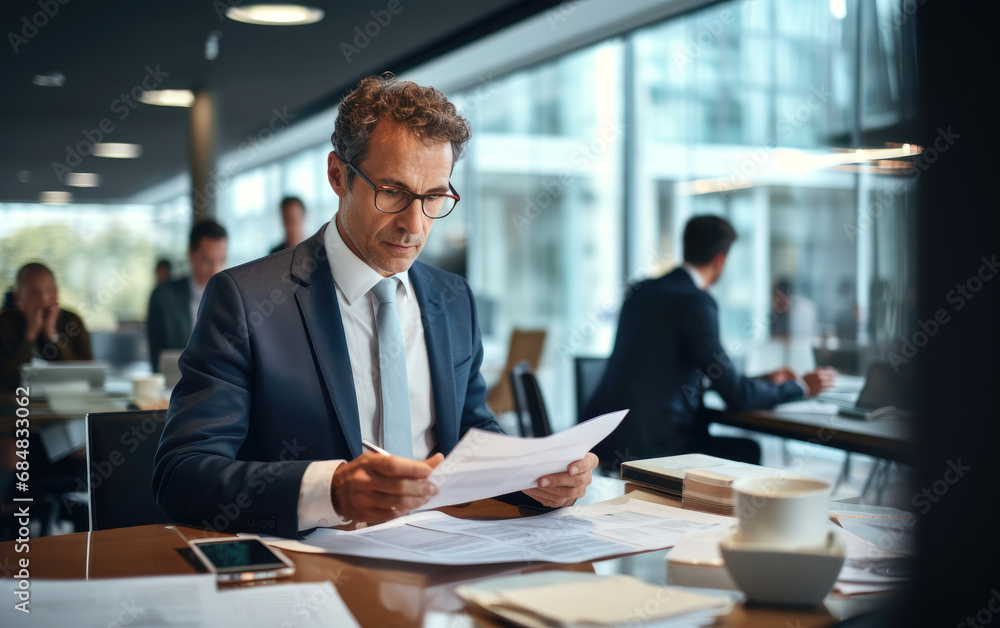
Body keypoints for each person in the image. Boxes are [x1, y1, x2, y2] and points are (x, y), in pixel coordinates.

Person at [153, 74, 598, 538]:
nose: (414, 224)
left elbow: (470, 431)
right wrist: (330, 491)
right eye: (393, 192)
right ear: (338, 175)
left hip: (445, 561)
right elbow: (181, 475)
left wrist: (536, 479)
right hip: (312, 577)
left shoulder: (454, 299)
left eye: (433, 197)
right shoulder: (246, 301)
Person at [585, 215, 836, 467]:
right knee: (746, 451)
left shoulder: (641, 290)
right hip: (656, 447)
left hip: (610, 439)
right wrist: (801, 386)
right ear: (720, 260)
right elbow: (735, 395)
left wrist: (761, 381)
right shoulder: (695, 301)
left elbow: (673, 373)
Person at [146, 221, 227, 371]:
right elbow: (156, 360)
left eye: (221, 260)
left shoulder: (232, 299)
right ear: (191, 254)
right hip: (175, 388)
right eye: (207, 261)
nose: (215, 270)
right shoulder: (163, 297)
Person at [0, 263, 92, 389]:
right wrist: (30, 334)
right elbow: (6, 380)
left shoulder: (72, 321)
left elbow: (86, 374)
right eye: (34, 293)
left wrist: (52, 335)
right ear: (18, 297)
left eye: (49, 290)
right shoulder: (5, 323)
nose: (43, 298)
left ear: (57, 293)